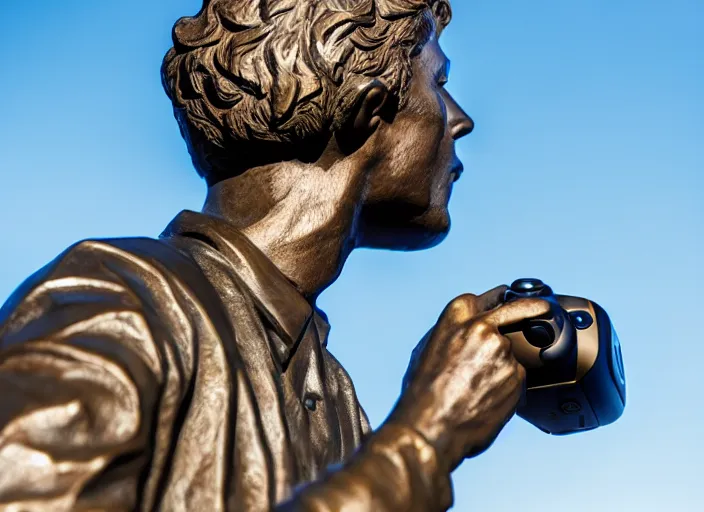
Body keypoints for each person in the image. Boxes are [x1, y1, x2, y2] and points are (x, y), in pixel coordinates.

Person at [0, 1, 549, 510]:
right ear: (369, 107)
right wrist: (427, 439)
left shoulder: (334, 395)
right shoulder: (121, 303)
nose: (460, 119)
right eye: (440, 82)